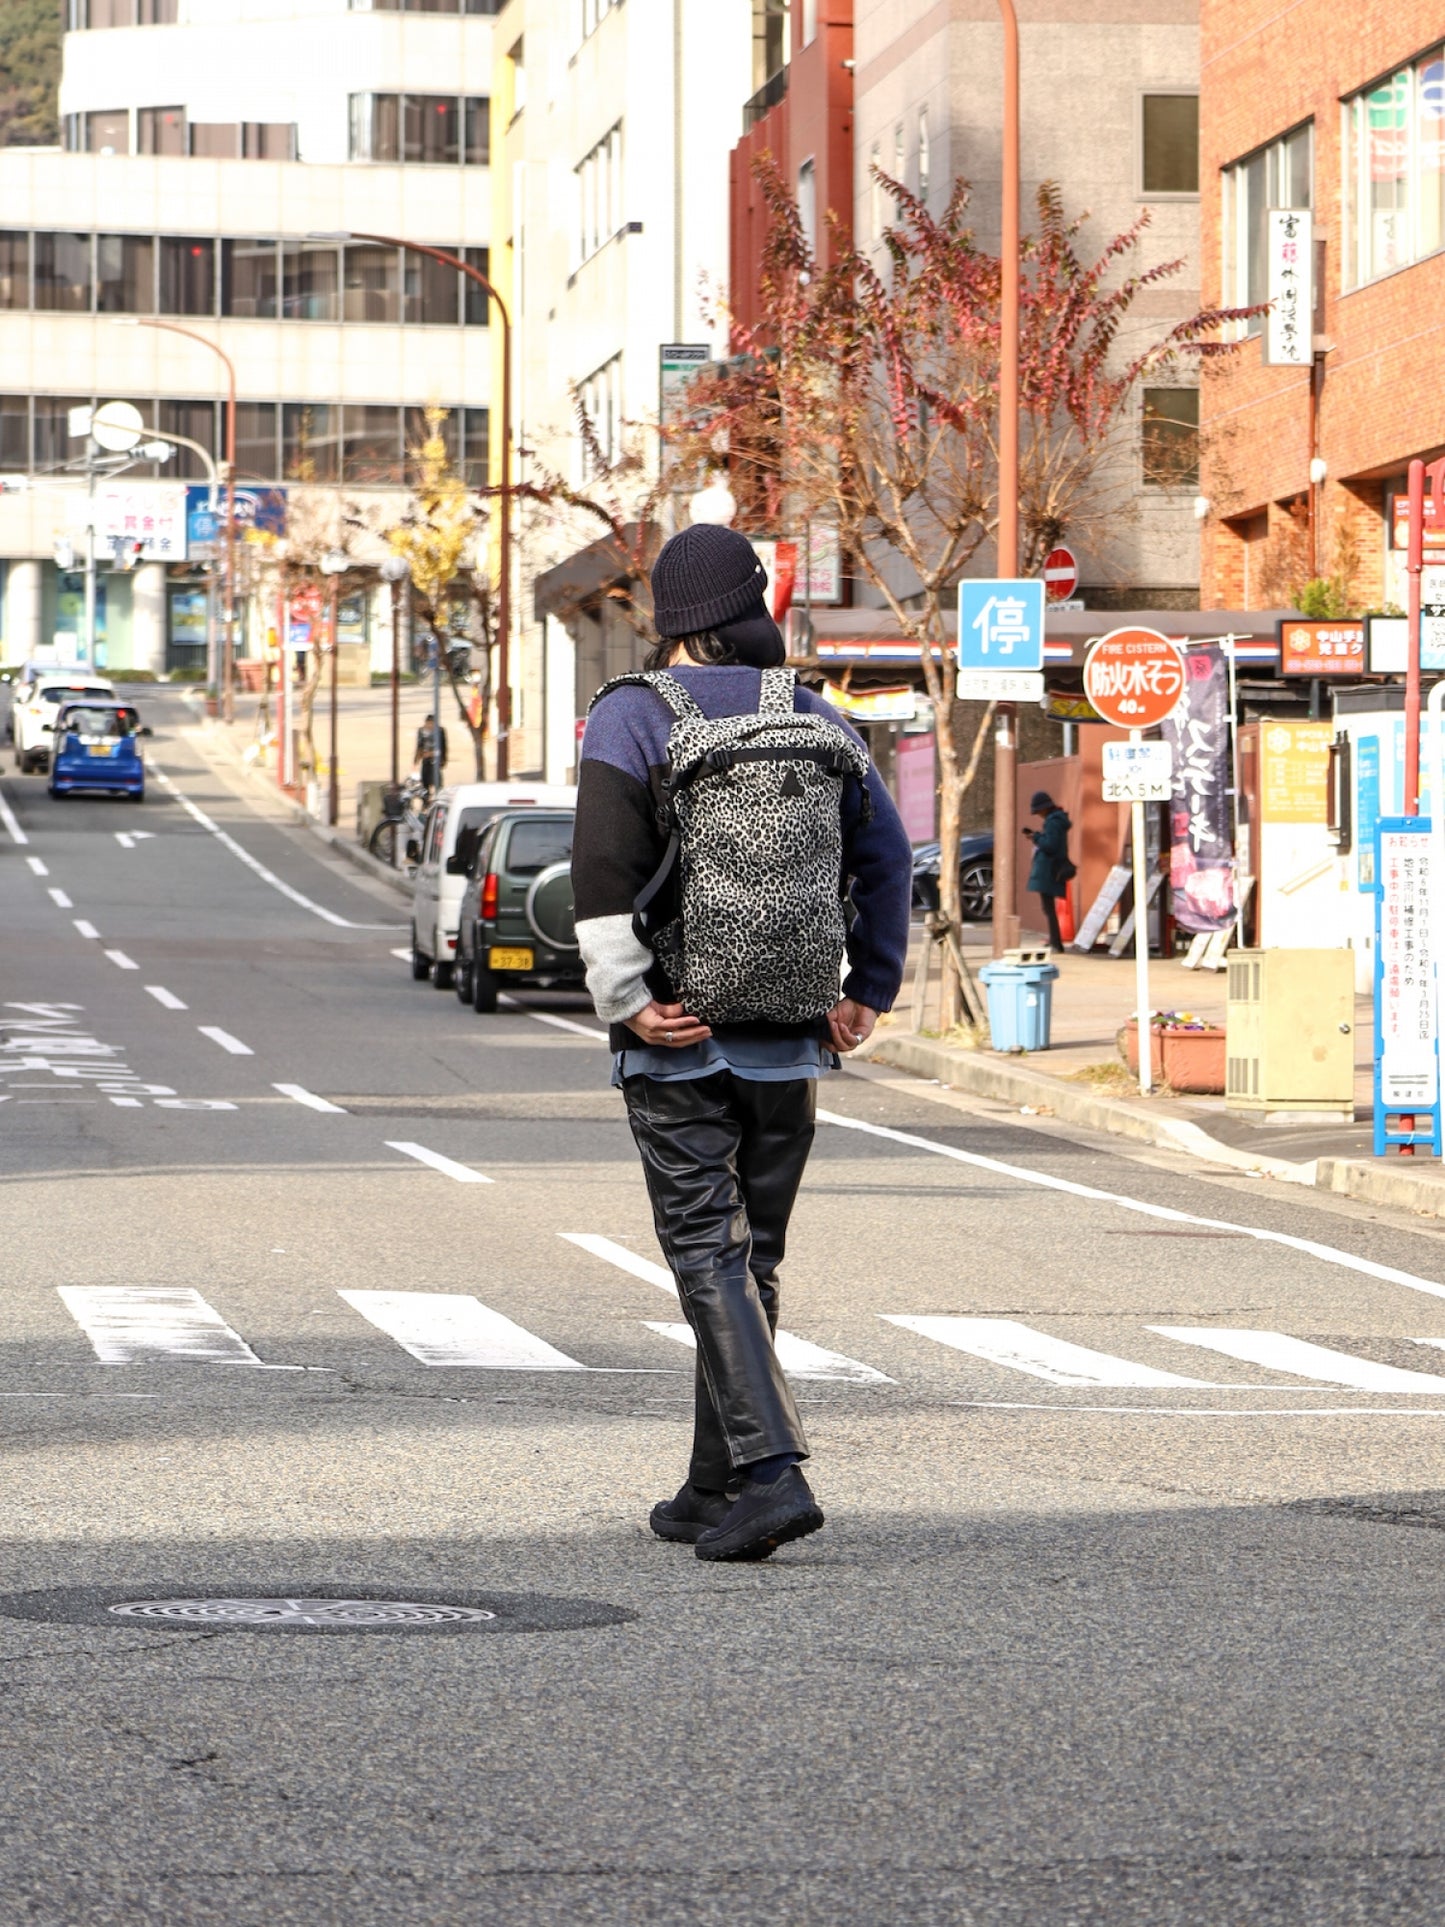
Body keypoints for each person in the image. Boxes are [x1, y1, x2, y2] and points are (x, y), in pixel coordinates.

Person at [572, 524, 912, 1563]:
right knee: (748, 1256)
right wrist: (868, 991)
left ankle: (770, 1473)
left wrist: (626, 998)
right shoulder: (813, 715)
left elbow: (601, 868)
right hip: (790, 1032)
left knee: (701, 1251)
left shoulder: (630, 717)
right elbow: (888, 857)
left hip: (680, 1025)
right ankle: (709, 1482)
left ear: (669, 620)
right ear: (746, 610)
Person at [1023, 790, 1073, 953]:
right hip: (1053, 868)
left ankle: (1056, 943)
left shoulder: (1053, 822)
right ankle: (1055, 941)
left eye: (1038, 811)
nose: (1038, 815)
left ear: (1045, 808)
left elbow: (1050, 845)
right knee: (1049, 908)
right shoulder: (1057, 820)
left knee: (1049, 909)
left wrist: (1036, 837)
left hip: (1049, 869)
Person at [414, 714, 448, 797]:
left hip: (436, 760)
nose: (430, 725)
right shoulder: (421, 731)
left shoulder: (440, 731)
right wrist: (416, 759)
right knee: (425, 782)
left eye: (432, 723)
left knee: (438, 781)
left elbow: (443, 746)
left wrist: (443, 759)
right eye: (429, 723)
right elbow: (419, 745)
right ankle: (426, 800)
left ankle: (438, 796)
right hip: (426, 760)